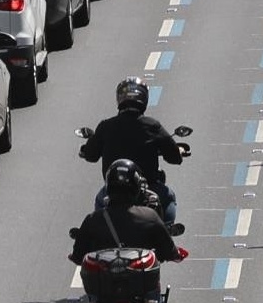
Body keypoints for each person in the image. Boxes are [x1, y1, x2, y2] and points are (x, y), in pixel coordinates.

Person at [71, 158, 182, 303]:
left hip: (106, 288)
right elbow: (169, 250)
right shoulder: (149, 216)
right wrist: (174, 255)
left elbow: (77, 254)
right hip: (139, 286)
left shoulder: (94, 219)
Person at [79, 76, 187, 223]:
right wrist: (179, 150)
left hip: (113, 191)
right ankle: (167, 230)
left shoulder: (106, 126)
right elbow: (175, 157)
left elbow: (91, 155)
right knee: (168, 196)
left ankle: (103, 229)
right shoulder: (152, 126)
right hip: (149, 188)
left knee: (100, 201)